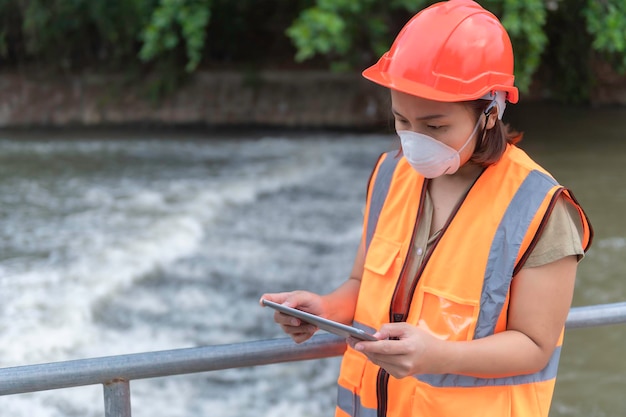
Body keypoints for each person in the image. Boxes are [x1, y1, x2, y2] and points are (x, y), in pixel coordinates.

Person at [260, 0, 593, 416]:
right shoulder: (389, 175)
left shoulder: (541, 208)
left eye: (435, 126)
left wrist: (438, 356)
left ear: (490, 113)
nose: (414, 140)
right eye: (402, 121)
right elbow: (363, 284)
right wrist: (326, 309)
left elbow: (534, 346)